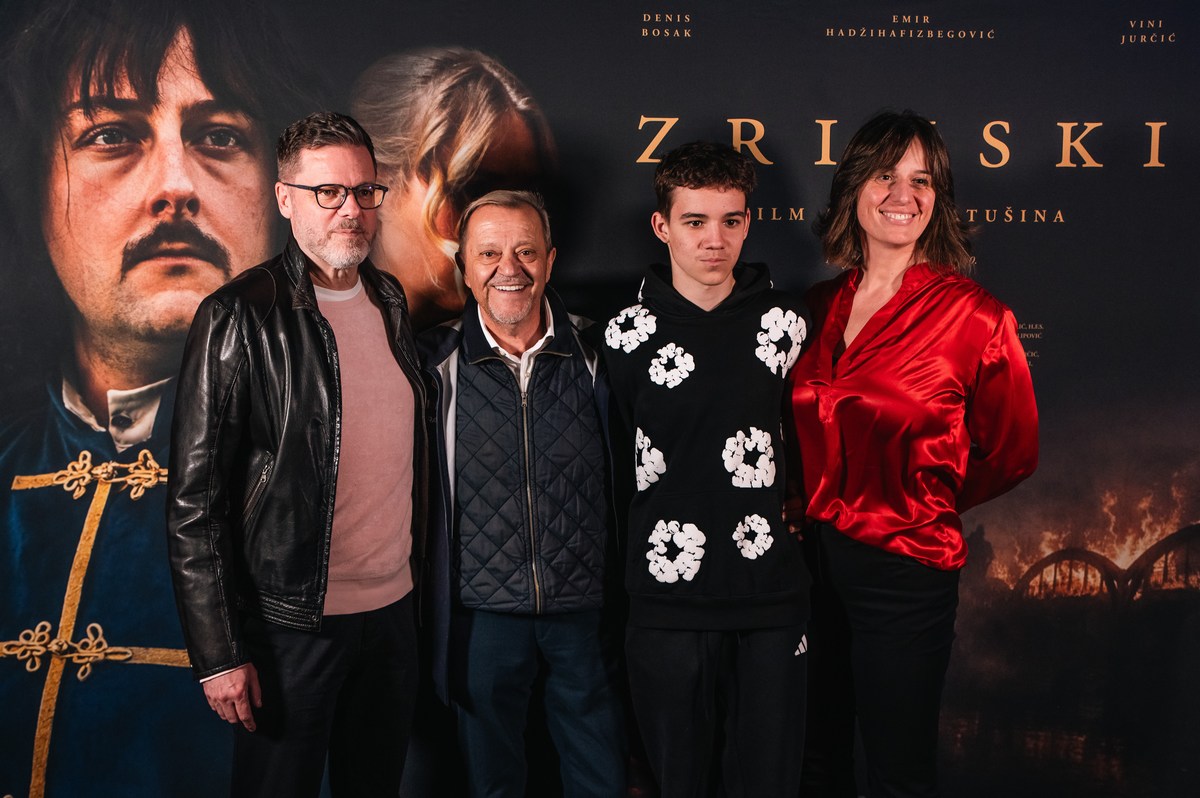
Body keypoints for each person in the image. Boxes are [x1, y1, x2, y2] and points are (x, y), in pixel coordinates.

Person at [0, 1, 311, 795]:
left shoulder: (347, 466)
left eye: (220, 137)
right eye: (111, 135)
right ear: (34, 188)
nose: (175, 186)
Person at [166, 111, 427, 797]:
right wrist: (219, 654)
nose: (351, 210)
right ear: (285, 198)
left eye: (364, 191)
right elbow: (194, 504)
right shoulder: (238, 315)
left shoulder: (390, 300)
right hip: (291, 628)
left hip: (393, 617)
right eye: (328, 192)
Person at [788, 110, 1039, 797]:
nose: (903, 194)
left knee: (897, 773)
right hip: (808, 565)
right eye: (884, 175)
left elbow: (1013, 452)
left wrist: (923, 499)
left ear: (939, 198)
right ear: (853, 189)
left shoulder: (978, 317)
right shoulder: (817, 304)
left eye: (921, 180)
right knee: (815, 761)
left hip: (904, 570)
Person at [603, 141, 811, 797]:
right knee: (678, 783)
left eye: (730, 220)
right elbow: (614, 459)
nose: (714, 240)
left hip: (769, 595)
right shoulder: (623, 335)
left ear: (748, 223)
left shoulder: (788, 323)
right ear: (662, 225)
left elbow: (812, 436)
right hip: (666, 600)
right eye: (695, 221)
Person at [420, 189, 626, 797]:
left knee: (602, 781)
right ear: (464, 266)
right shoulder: (430, 364)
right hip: (480, 618)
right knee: (493, 784)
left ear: (551, 260)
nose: (508, 269)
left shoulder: (601, 353)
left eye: (526, 252)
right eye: (489, 253)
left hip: (585, 614)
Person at [351, 47, 556, 330]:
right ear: (377, 187)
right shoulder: (311, 336)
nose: (504, 226)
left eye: (524, 196)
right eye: (474, 188)